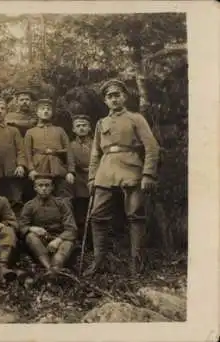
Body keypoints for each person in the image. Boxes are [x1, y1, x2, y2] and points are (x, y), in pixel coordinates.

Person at [84, 79, 160, 277]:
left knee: (135, 217)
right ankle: (99, 261)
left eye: (117, 95)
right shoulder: (102, 123)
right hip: (105, 171)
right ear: (105, 101)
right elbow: (95, 153)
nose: (114, 99)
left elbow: (151, 147)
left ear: (124, 97)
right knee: (97, 216)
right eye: (110, 96)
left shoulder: (136, 118)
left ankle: (137, 265)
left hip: (131, 169)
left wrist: (148, 173)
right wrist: (92, 178)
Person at [18, 174, 78, 276]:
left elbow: (71, 228)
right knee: (30, 236)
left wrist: (58, 240)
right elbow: (21, 226)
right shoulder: (29, 206)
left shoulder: (61, 204)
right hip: (40, 241)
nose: (44, 188)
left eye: (47, 185)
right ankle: (49, 268)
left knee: (68, 242)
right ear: (35, 188)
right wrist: (32, 228)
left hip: (59, 239)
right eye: (40, 186)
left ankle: (54, 269)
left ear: (52, 187)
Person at [24, 98, 76, 205]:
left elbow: (69, 152)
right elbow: (27, 153)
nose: (46, 111)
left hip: (58, 168)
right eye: (42, 109)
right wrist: (31, 169)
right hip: (39, 168)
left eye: (48, 109)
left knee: (64, 198)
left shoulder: (59, 130)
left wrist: (71, 171)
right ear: (37, 112)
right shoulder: (30, 132)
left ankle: (66, 221)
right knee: (41, 198)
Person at [70, 114, 94, 238]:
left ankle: (93, 238)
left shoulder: (96, 143)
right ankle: (81, 238)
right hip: (79, 182)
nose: (81, 128)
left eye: (84, 125)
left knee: (95, 211)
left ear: (89, 128)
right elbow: (70, 163)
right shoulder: (71, 146)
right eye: (78, 126)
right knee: (80, 211)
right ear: (74, 129)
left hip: (95, 179)